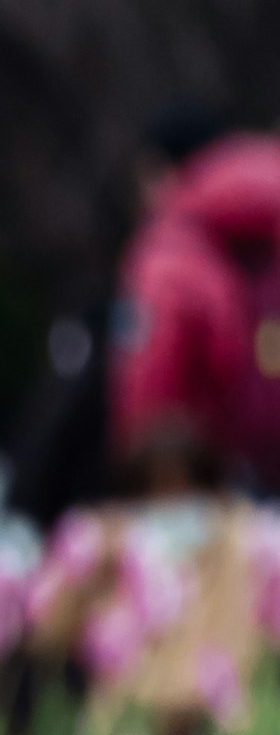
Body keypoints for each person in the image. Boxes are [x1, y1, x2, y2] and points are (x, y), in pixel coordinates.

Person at [110, 106, 280, 494]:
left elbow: (152, 385)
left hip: (203, 478)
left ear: (163, 172)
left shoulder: (170, 250)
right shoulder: (270, 224)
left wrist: (136, 475)